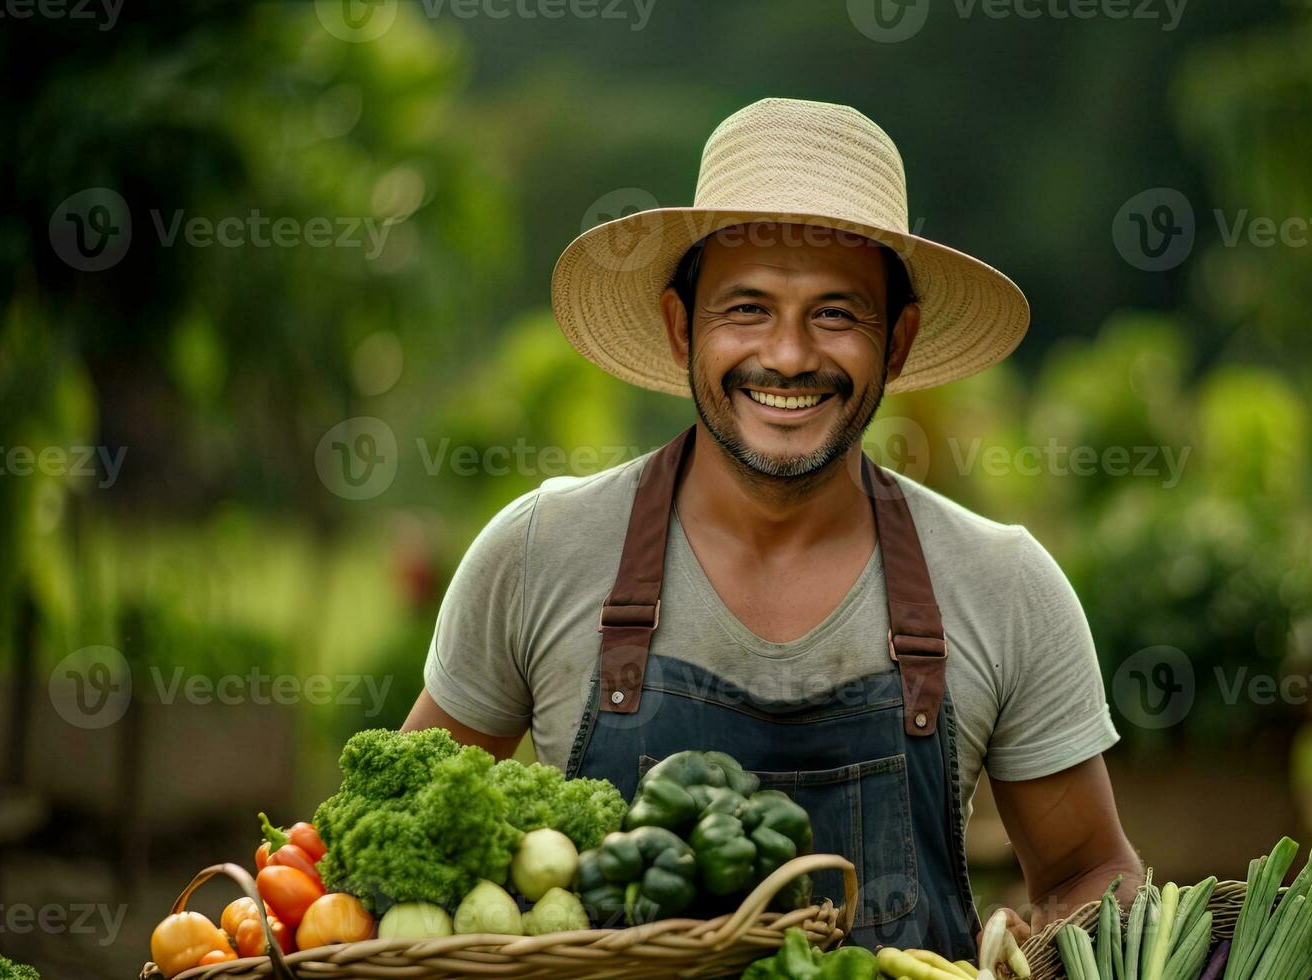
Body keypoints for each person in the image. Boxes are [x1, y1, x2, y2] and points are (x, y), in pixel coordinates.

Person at [403, 97, 1142, 957]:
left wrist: (1048, 951)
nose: (788, 357)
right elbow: (415, 840)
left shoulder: (1000, 583)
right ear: (682, 328)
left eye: (835, 314)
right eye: (746, 309)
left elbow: (1089, 873)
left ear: (896, 343)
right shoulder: (540, 553)